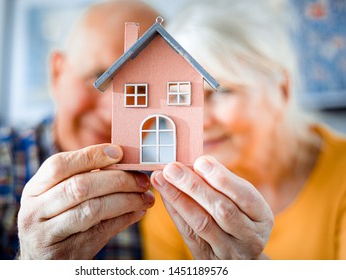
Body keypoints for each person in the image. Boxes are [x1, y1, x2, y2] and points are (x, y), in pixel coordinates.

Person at [140, 0, 346, 259]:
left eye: (222, 91)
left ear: (282, 91)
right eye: (181, 96)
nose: (199, 121)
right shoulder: (172, 201)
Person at [0, 0, 159, 259]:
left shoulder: (164, 185)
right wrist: (33, 262)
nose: (112, 114)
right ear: (57, 71)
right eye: (99, 78)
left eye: (142, 92)